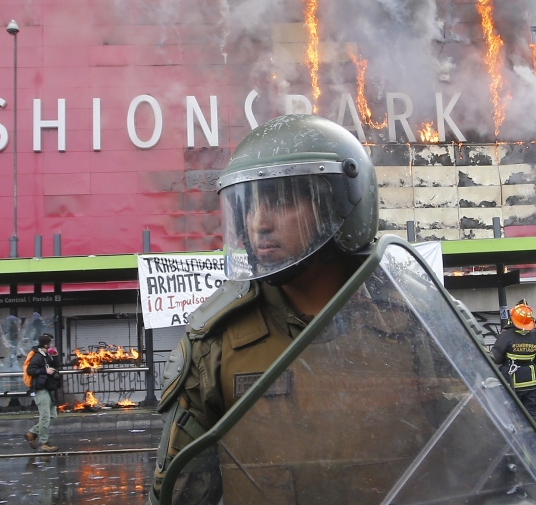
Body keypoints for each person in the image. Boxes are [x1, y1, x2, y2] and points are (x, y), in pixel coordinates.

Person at [150, 114, 378, 505]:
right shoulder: (215, 344)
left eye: (282, 200)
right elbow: (178, 495)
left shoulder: (417, 325)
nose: (259, 223)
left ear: (341, 204)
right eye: (250, 206)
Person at [490, 302, 536, 427]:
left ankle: (518, 442)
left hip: (513, 382)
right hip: (532, 382)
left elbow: (496, 358)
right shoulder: (534, 336)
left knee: (512, 413)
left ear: (512, 318)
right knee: (532, 413)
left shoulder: (506, 336)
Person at [24, 334, 61, 452]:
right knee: (45, 416)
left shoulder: (47, 355)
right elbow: (30, 370)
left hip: (48, 388)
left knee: (52, 415)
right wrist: (44, 371)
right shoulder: (38, 356)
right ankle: (44, 443)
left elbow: (56, 366)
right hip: (40, 389)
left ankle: (32, 433)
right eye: (51, 343)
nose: (53, 345)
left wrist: (55, 356)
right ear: (46, 345)